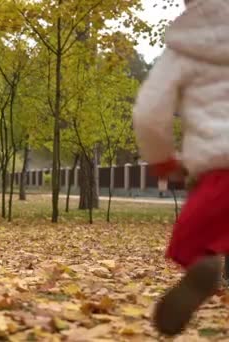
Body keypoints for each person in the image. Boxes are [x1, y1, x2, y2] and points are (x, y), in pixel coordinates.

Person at [133, 0, 229, 336]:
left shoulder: (186, 46)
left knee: (203, 243)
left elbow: (149, 113)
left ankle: (204, 264)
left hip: (217, 170)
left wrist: (162, 160)